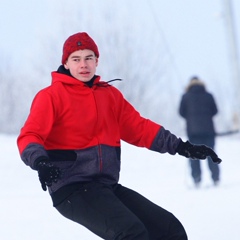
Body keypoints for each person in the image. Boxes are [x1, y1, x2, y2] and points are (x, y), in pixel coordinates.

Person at [17, 32, 222, 240]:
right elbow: (30, 135)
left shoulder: (110, 96)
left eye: (88, 58)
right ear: (66, 64)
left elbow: (140, 128)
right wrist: (40, 162)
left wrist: (183, 147)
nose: (83, 64)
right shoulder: (51, 96)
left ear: (97, 61)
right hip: (71, 187)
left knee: (169, 229)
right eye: (76, 59)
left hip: (106, 185)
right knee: (131, 233)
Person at [179, 76, 220, 187]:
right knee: (211, 154)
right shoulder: (208, 95)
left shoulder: (185, 96)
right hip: (208, 131)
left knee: (194, 155)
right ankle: (215, 178)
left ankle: (197, 179)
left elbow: (181, 112)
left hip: (193, 132)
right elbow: (215, 111)